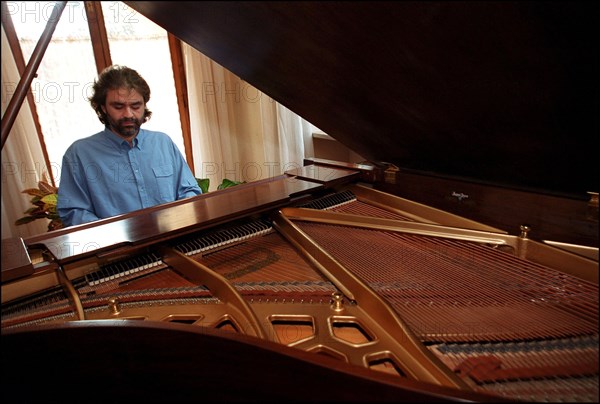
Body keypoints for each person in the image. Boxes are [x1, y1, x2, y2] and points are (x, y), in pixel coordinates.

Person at [57, 65, 201, 227]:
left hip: (174, 239)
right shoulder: (79, 154)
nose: (128, 114)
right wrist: (115, 234)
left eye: (135, 106)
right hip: (118, 249)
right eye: (118, 107)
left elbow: (190, 191)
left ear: (144, 105)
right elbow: (73, 211)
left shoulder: (163, 143)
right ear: (103, 108)